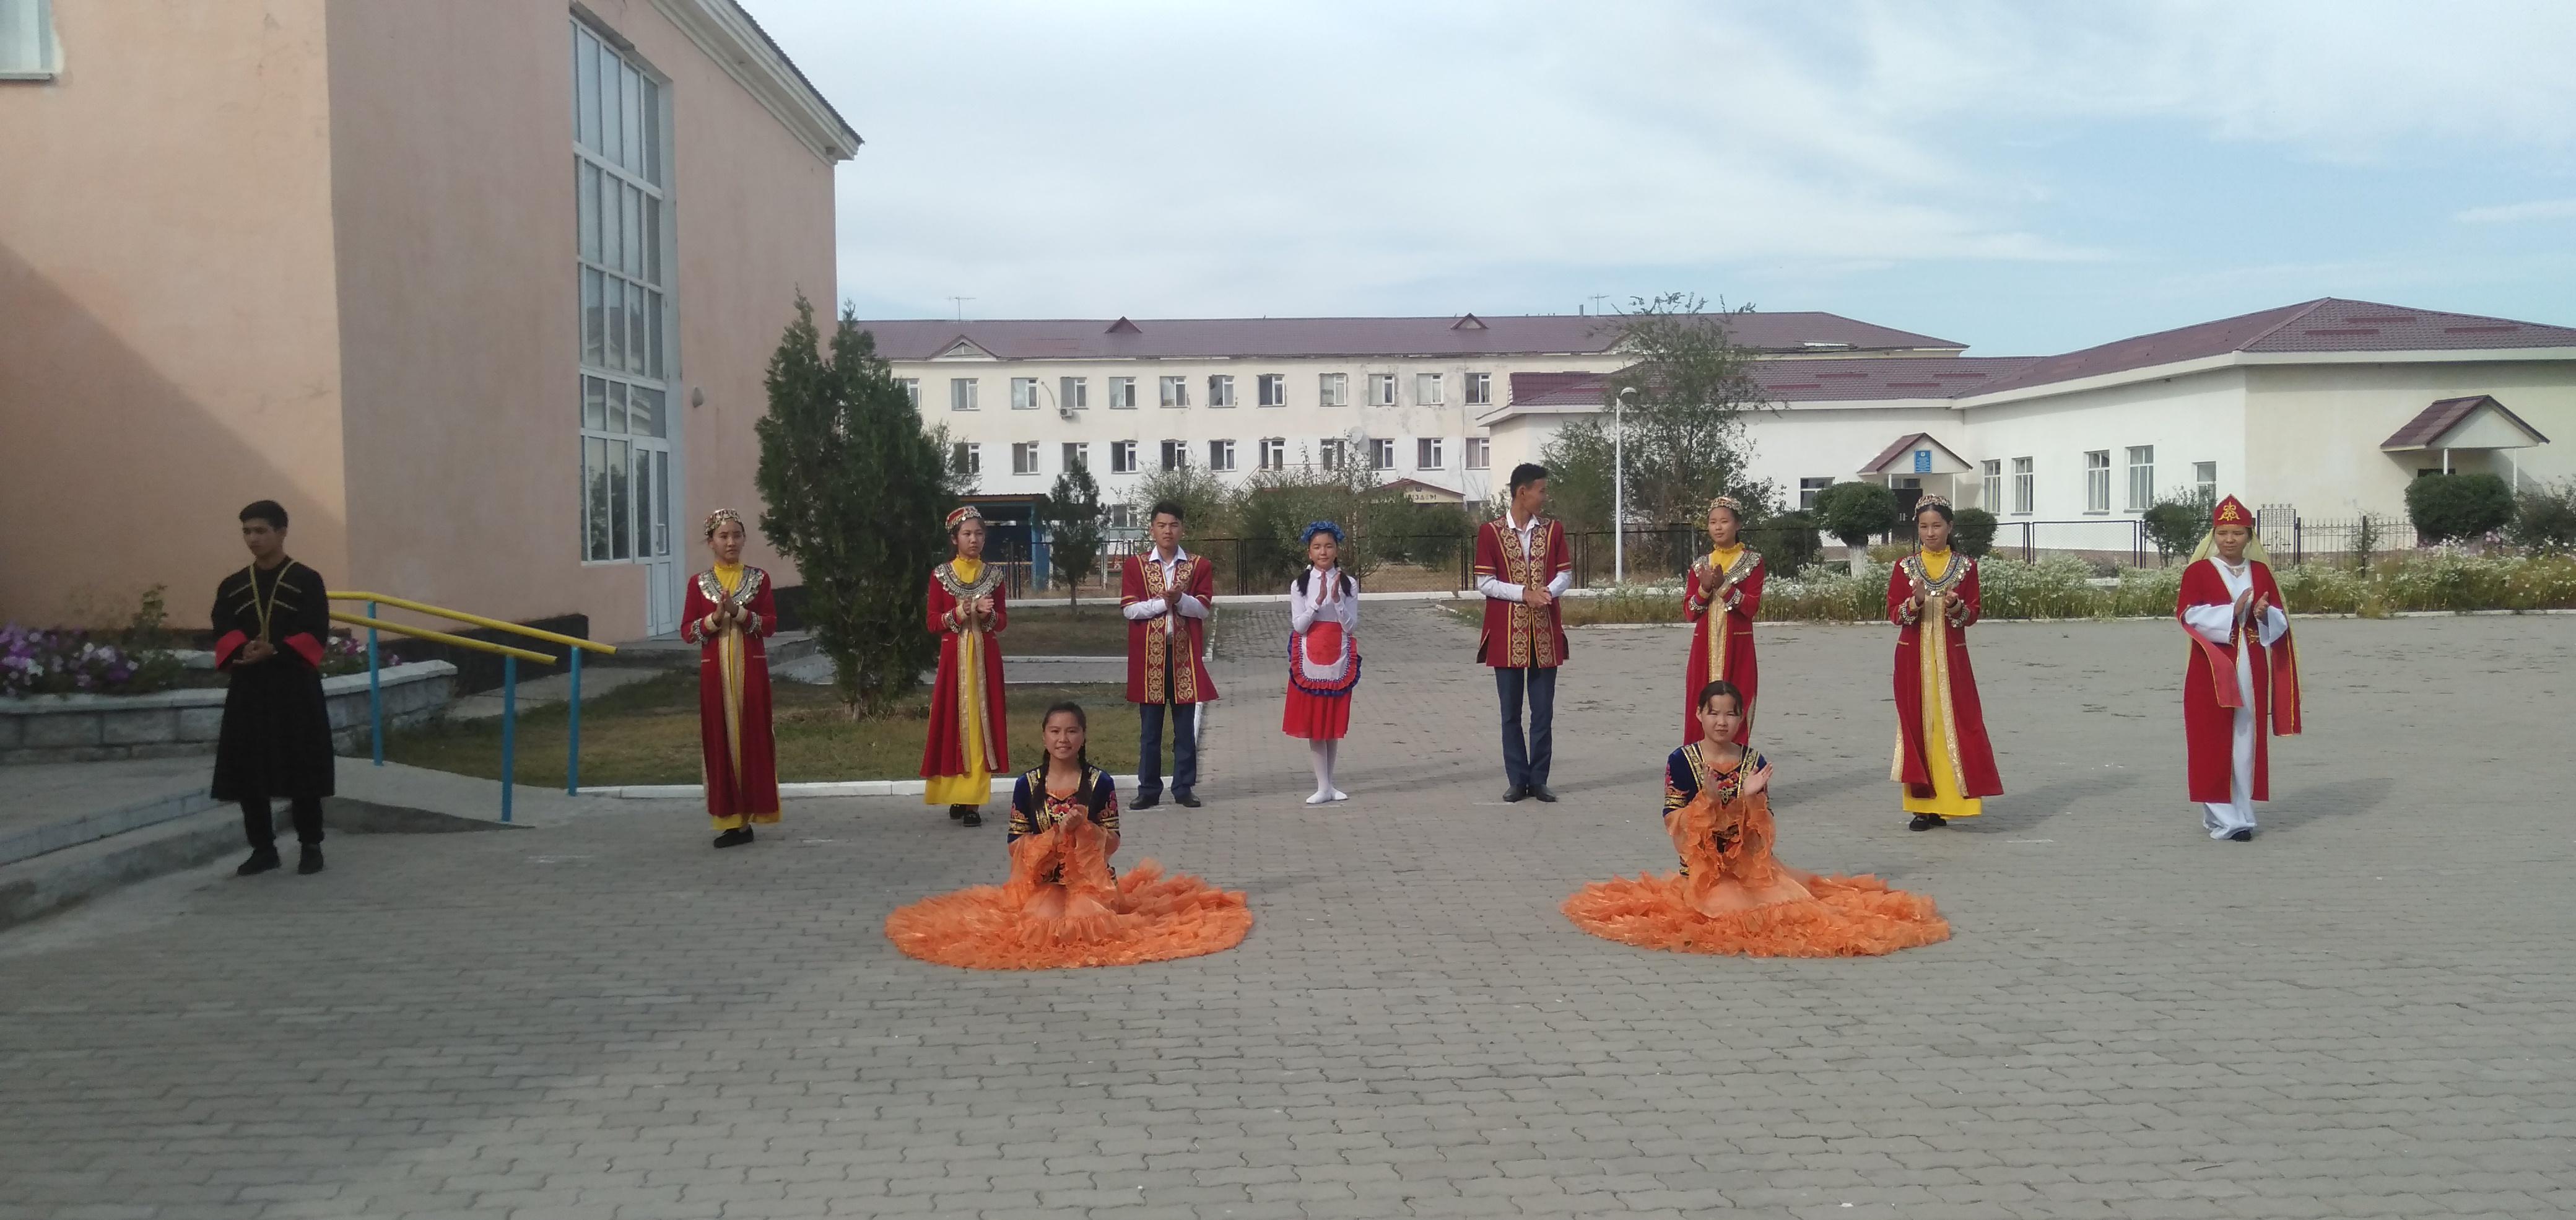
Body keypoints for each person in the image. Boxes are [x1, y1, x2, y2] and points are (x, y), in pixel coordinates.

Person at [1560, 681, 1950, 957]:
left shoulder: (1753, 761)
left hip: (1751, 866)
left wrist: (1750, 800)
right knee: (1734, 913)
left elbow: (1761, 837)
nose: (1722, 722)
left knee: (1794, 909)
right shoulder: (1681, 761)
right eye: (1713, 713)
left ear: (1741, 718)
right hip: (1704, 870)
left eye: (1730, 714)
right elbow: (1675, 826)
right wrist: (1708, 800)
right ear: (1699, 715)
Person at [883, 702, 1255, 970]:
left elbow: (1113, 842)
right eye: (1056, 732)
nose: (1064, 739)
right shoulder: (1027, 785)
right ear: (1044, 737)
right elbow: (1015, 846)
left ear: (1083, 736)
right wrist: (1053, 835)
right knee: (1042, 927)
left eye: (1072, 731)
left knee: (1085, 926)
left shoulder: (1100, 782)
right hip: (1044, 881)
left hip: (1092, 884)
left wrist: (1085, 829)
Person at [212, 500, 336, 876]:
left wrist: (277, 650)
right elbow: (223, 626)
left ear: (281, 532)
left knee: (302, 765)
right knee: (248, 768)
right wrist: (243, 649)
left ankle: (310, 845)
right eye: (247, 532)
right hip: (249, 689)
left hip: (294, 687)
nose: (253, 539)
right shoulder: (233, 585)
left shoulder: (307, 580)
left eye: (260, 531)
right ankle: (263, 849)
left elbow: (315, 629)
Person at [2177, 495, 2302, 842]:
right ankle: (2226, 818)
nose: (2229, 539)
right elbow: (2188, 614)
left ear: (2249, 536)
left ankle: (2242, 814)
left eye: (2237, 533)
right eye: (2223, 532)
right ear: (2213, 535)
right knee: (2210, 737)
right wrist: (2231, 611)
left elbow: (2279, 618)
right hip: (2212, 666)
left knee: (2245, 737)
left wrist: (2264, 614)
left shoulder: (2260, 572)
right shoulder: (2199, 571)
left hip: (2252, 663)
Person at [1887, 496, 2003, 831]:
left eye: (1937, 526)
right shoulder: (1905, 567)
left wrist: (1955, 606)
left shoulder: (1966, 567)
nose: (1930, 533)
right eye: (1924, 527)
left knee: (1958, 725)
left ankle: (1953, 802)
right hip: (1913, 660)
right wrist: (1915, 601)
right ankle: (1923, 808)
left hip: (1952, 661)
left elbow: (1972, 615)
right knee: (1919, 727)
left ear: (1950, 527)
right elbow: (1895, 614)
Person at [682, 508, 780, 848]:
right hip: (716, 677)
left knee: (753, 737)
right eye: (723, 536)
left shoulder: (759, 579)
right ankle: (730, 820)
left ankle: (751, 814)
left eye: (737, 535)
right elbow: (688, 632)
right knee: (719, 740)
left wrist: (739, 613)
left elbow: (770, 625)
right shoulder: (698, 584)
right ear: (710, 542)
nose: (731, 542)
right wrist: (713, 619)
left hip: (751, 672)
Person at [1475, 463, 1572, 802]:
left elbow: (1565, 574)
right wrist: (1523, 594)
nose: (1545, 497)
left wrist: (1546, 592)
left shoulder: (1553, 530)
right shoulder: (1491, 532)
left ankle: (1539, 779)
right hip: (1506, 634)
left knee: (1543, 712)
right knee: (1511, 713)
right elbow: (1485, 582)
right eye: (1541, 491)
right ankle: (1517, 779)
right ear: (1523, 492)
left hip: (1545, 632)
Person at [1119, 500, 1218, 808]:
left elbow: (1203, 609)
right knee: (1150, 730)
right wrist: (1164, 603)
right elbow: (1130, 609)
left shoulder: (1199, 565)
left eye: (1174, 525)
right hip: (1149, 660)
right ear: (1152, 529)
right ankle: (1148, 789)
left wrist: (1181, 599)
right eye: (1161, 525)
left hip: (1183, 659)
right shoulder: (1136, 566)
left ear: (1182, 529)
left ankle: (1183, 787)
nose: (1168, 531)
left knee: (1184, 728)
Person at [923, 505, 1009, 827]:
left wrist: (989, 615)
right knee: (954, 724)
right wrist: (963, 611)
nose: (974, 540)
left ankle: (973, 801)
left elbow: (1002, 622)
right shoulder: (941, 576)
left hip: (985, 662)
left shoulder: (994, 576)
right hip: (954, 663)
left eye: (979, 534)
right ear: (954, 539)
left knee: (980, 726)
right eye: (967, 534)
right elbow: (933, 622)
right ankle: (957, 795)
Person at [1283, 520, 1360, 804]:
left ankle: (1330, 784)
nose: (1323, 552)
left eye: (1328, 546)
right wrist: (1317, 602)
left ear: (1337, 550)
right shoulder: (1300, 585)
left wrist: (1337, 600)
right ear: (1309, 552)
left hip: (1337, 655)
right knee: (1315, 723)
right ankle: (1322, 785)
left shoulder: (1349, 583)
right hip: (1310, 656)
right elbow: (1299, 626)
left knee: (1332, 722)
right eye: (1317, 547)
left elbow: (1351, 626)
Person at [1681, 495, 1764, 745]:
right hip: (1704, 648)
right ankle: (1698, 764)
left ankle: (1733, 764)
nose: (1718, 527)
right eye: (1713, 522)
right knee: (1700, 703)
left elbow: (1751, 607)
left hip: (1738, 647)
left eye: (1724, 522)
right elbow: (1690, 612)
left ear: (1737, 525)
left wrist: (1724, 587)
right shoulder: (1700, 565)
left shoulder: (1753, 562)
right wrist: (1705, 588)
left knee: (1737, 701)